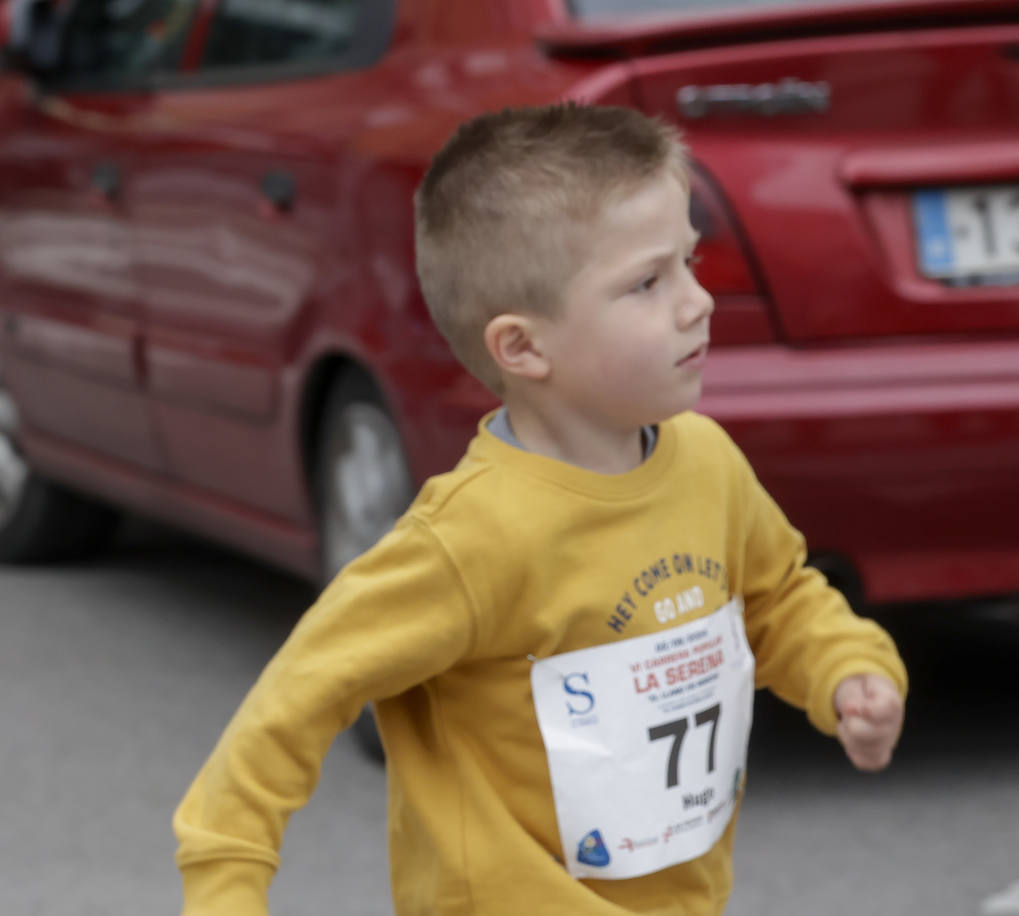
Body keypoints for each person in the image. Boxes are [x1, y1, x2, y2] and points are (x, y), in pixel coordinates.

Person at [172, 102, 907, 916]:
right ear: (522, 348)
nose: (696, 301)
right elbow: (295, 699)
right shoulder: (467, 541)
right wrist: (225, 882)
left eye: (690, 264)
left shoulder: (707, 464)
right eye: (646, 283)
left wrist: (845, 667)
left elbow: (776, 596)